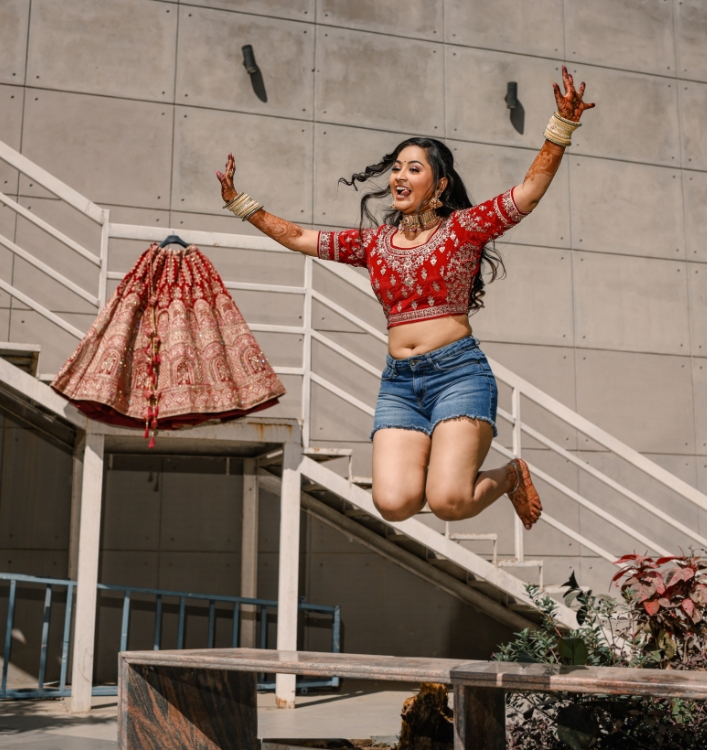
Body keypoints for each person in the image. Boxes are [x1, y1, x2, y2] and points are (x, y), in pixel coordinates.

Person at [216, 66, 594, 530]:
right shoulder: (373, 244)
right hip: (399, 383)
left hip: (458, 375)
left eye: (414, 168)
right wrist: (240, 204)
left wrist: (561, 128)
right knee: (393, 504)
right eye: (396, 167)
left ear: (439, 186)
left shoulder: (463, 229)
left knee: (449, 501)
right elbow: (298, 237)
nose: (399, 175)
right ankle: (458, 469)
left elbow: (529, 192)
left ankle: (511, 475)